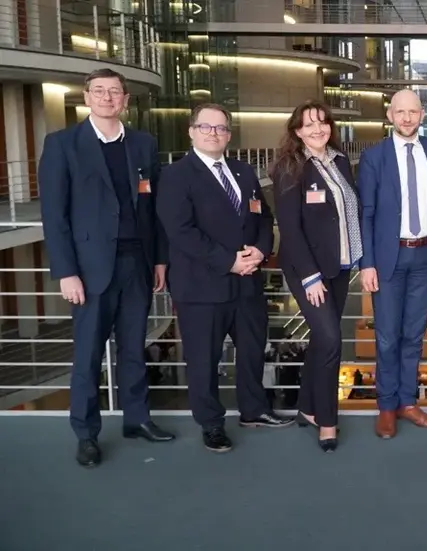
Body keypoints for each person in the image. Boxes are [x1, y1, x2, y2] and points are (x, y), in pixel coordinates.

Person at [38, 68, 175, 468]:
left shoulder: (143, 144)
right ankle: (86, 434)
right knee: (88, 355)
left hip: (137, 263)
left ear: (125, 100)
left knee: (134, 348)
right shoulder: (63, 144)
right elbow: (54, 215)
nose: (107, 97)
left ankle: (137, 419)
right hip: (89, 268)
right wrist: (66, 271)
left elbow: (153, 210)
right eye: (99, 91)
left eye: (115, 92)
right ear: (86, 97)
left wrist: (161, 258)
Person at [157, 103, 293, 453]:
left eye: (221, 128)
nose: (214, 133)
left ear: (229, 134)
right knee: (204, 360)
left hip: (247, 282)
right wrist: (229, 261)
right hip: (202, 287)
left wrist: (262, 251)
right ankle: (212, 424)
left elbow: (263, 216)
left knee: (251, 351)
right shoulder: (175, 175)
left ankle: (254, 410)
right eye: (206, 127)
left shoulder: (244, 171)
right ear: (191, 131)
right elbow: (181, 231)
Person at [358, 89, 427, 439]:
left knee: (414, 335)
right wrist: (366, 263)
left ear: (422, 114)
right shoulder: (374, 157)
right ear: (390, 115)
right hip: (389, 258)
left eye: (412, 112)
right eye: (400, 112)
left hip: (426, 256)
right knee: (386, 337)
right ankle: (386, 406)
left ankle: (408, 402)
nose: (406, 118)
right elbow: (365, 213)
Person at [270, 100, 360, 453]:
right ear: (297, 131)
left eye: (323, 122)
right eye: (309, 125)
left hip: (339, 267)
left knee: (323, 342)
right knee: (331, 341)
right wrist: (309, 276)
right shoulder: (289, 168)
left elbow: (345, 212)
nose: (317, 129)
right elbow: (289, 229)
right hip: (308, 271)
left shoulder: (339, 161)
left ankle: (306, 406)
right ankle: (327, 420)